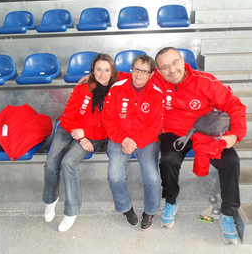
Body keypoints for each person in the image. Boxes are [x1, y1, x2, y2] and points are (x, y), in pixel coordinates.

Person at [153, 47, 247, 244]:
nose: (171, 70)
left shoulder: (205, 81)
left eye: (175, 62)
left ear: (182, 60)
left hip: (205, 131)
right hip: (175, 132)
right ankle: (171, 201)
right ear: (158, 70)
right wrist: (95, 78)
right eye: (165, 67)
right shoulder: (155, 81)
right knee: (167, 160)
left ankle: (228, 213)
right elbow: (133, 74)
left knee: (231, 161)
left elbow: (234, 105)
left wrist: (235, 135)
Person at [43, 53, 118, 232]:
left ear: (112, 72)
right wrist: (80, 136)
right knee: (52, 162)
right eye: (98, 69)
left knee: (68, 162)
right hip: (69, 129)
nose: (102, 74)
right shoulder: (83, 88)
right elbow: (68, 117)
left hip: (93, 134)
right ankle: (51, 199)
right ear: (92, 70)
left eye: (107, 70)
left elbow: (108, 128)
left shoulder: (116, 93)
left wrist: (86, 134)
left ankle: (71, 211)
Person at [102, 54, 164, 231]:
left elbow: (155, 126)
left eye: (144, 71)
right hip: (119, 138)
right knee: (114, 176)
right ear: (131, 69)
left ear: (151, 74)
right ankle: (126, 209)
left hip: (145, 140)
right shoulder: (117, 88)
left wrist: (134, 141)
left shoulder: (156, 94)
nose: (139, 74)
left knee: (152, 177)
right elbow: (108, 118)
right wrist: (123, 139)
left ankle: (150, 211)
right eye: (136, 69)